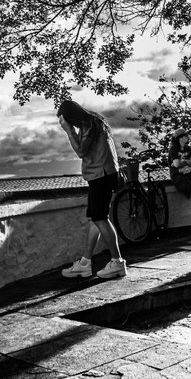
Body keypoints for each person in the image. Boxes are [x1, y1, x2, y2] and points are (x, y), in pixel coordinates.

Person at [57, 99, 127, 280]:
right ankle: (85, 263)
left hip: (100, 175)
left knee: (100, 218)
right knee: (95, 219)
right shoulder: (95, 122)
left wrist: (68, 131)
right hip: (104, 174)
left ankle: (117, 261)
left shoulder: (89, 126)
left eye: (65, 120)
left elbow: (81, 152)